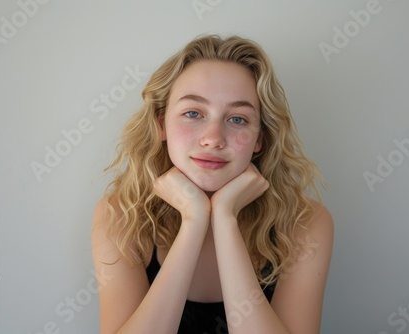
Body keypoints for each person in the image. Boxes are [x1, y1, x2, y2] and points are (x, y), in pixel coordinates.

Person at [91, 34, 334, 334]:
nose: (213, 138)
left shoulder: (305, 223)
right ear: (161, 124)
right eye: (193, 113)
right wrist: (193, 221)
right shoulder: (120, 216)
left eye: (237, 119)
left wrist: (225, 218)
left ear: (260, 139)